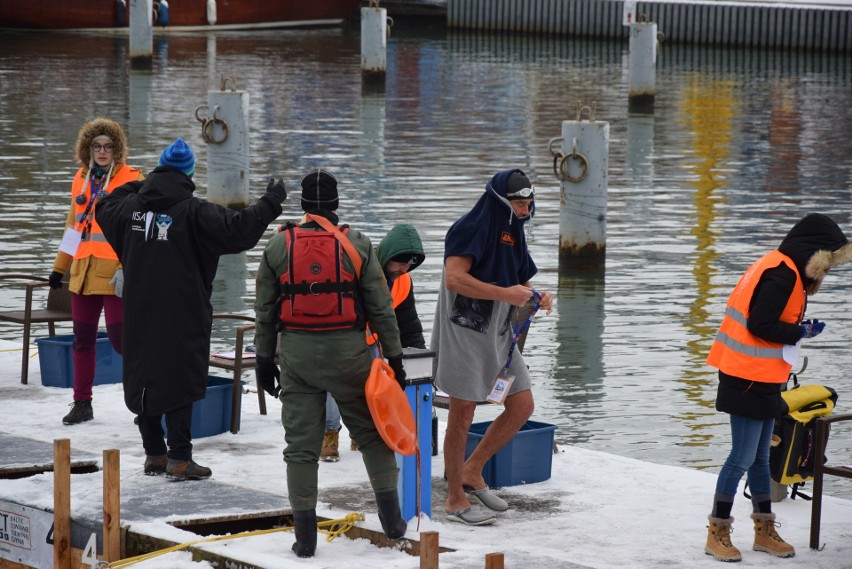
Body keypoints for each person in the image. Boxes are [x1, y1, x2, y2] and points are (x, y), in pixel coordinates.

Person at [97, 138, 286, 481]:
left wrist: (147, 183)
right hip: (183, 311)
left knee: (145, 378)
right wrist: (273, 199)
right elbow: (241, 230)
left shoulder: (130, 209)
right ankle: (180, 457)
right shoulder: (195, 212)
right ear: (190, 174)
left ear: (160, 169)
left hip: (139, 310)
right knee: (180, 380)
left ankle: (154, 453)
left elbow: (105, 202)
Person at [254, 168, 409, 557]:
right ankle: (392, 521)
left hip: (297, 356)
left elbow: (265, 311)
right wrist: (395, 357)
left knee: (301, 449)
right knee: (371, 435)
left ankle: (305, 539)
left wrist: (262, 359)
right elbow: (381, 307)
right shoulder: (357, 244)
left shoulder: (278, 246)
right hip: (349, 356)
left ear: (303, 205)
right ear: (336, 204)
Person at [703, 213, 852, 562]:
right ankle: (717, 531)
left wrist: (798, 330)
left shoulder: (781, 268)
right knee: (741, 457)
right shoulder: (782, 273)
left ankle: (764, 530)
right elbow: (761, 324)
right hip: (745, 377)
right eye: (826, 264)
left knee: (759, 458)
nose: (826, 273)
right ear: (813, 254)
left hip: (765, 377)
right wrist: (800, 333)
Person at [430, 168, 553, 526]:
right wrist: (506, 293)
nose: (525, 211)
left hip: (502, 331)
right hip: (464, 329)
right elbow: (454, 277)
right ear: (500, 201)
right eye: (518, 204)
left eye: (529, 204)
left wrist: (537, 294)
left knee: (522, 405)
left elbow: (518, 279)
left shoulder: (515, 231)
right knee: (463, 411)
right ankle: (454, 499)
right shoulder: (469, 227)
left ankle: (472, 470)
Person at [49, 118, 143, 425]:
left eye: (108, 146)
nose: (102, 151)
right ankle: (82, 403)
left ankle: (145, 400)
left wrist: (126, 268)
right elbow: (73, 227)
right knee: (83, 340)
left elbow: (136, 230)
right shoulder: (80, 178)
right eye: (96, 146)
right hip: (83, 274)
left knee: (122, 342)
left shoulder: (132, 178)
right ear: (87, 149)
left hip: (116, 275)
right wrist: (59, 268)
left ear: (117, 150)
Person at [321, 223, 427, 461]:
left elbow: (408, 322)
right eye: (400, 262)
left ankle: (362, 434)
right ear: (388, 255)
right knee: (333, 386)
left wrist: (418, 356)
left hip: (372, 341)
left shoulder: (404, 280)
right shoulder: (359, 266)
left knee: (375, 388)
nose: (404, 268)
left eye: (410, 264)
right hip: (341, 337)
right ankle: (329, 434)